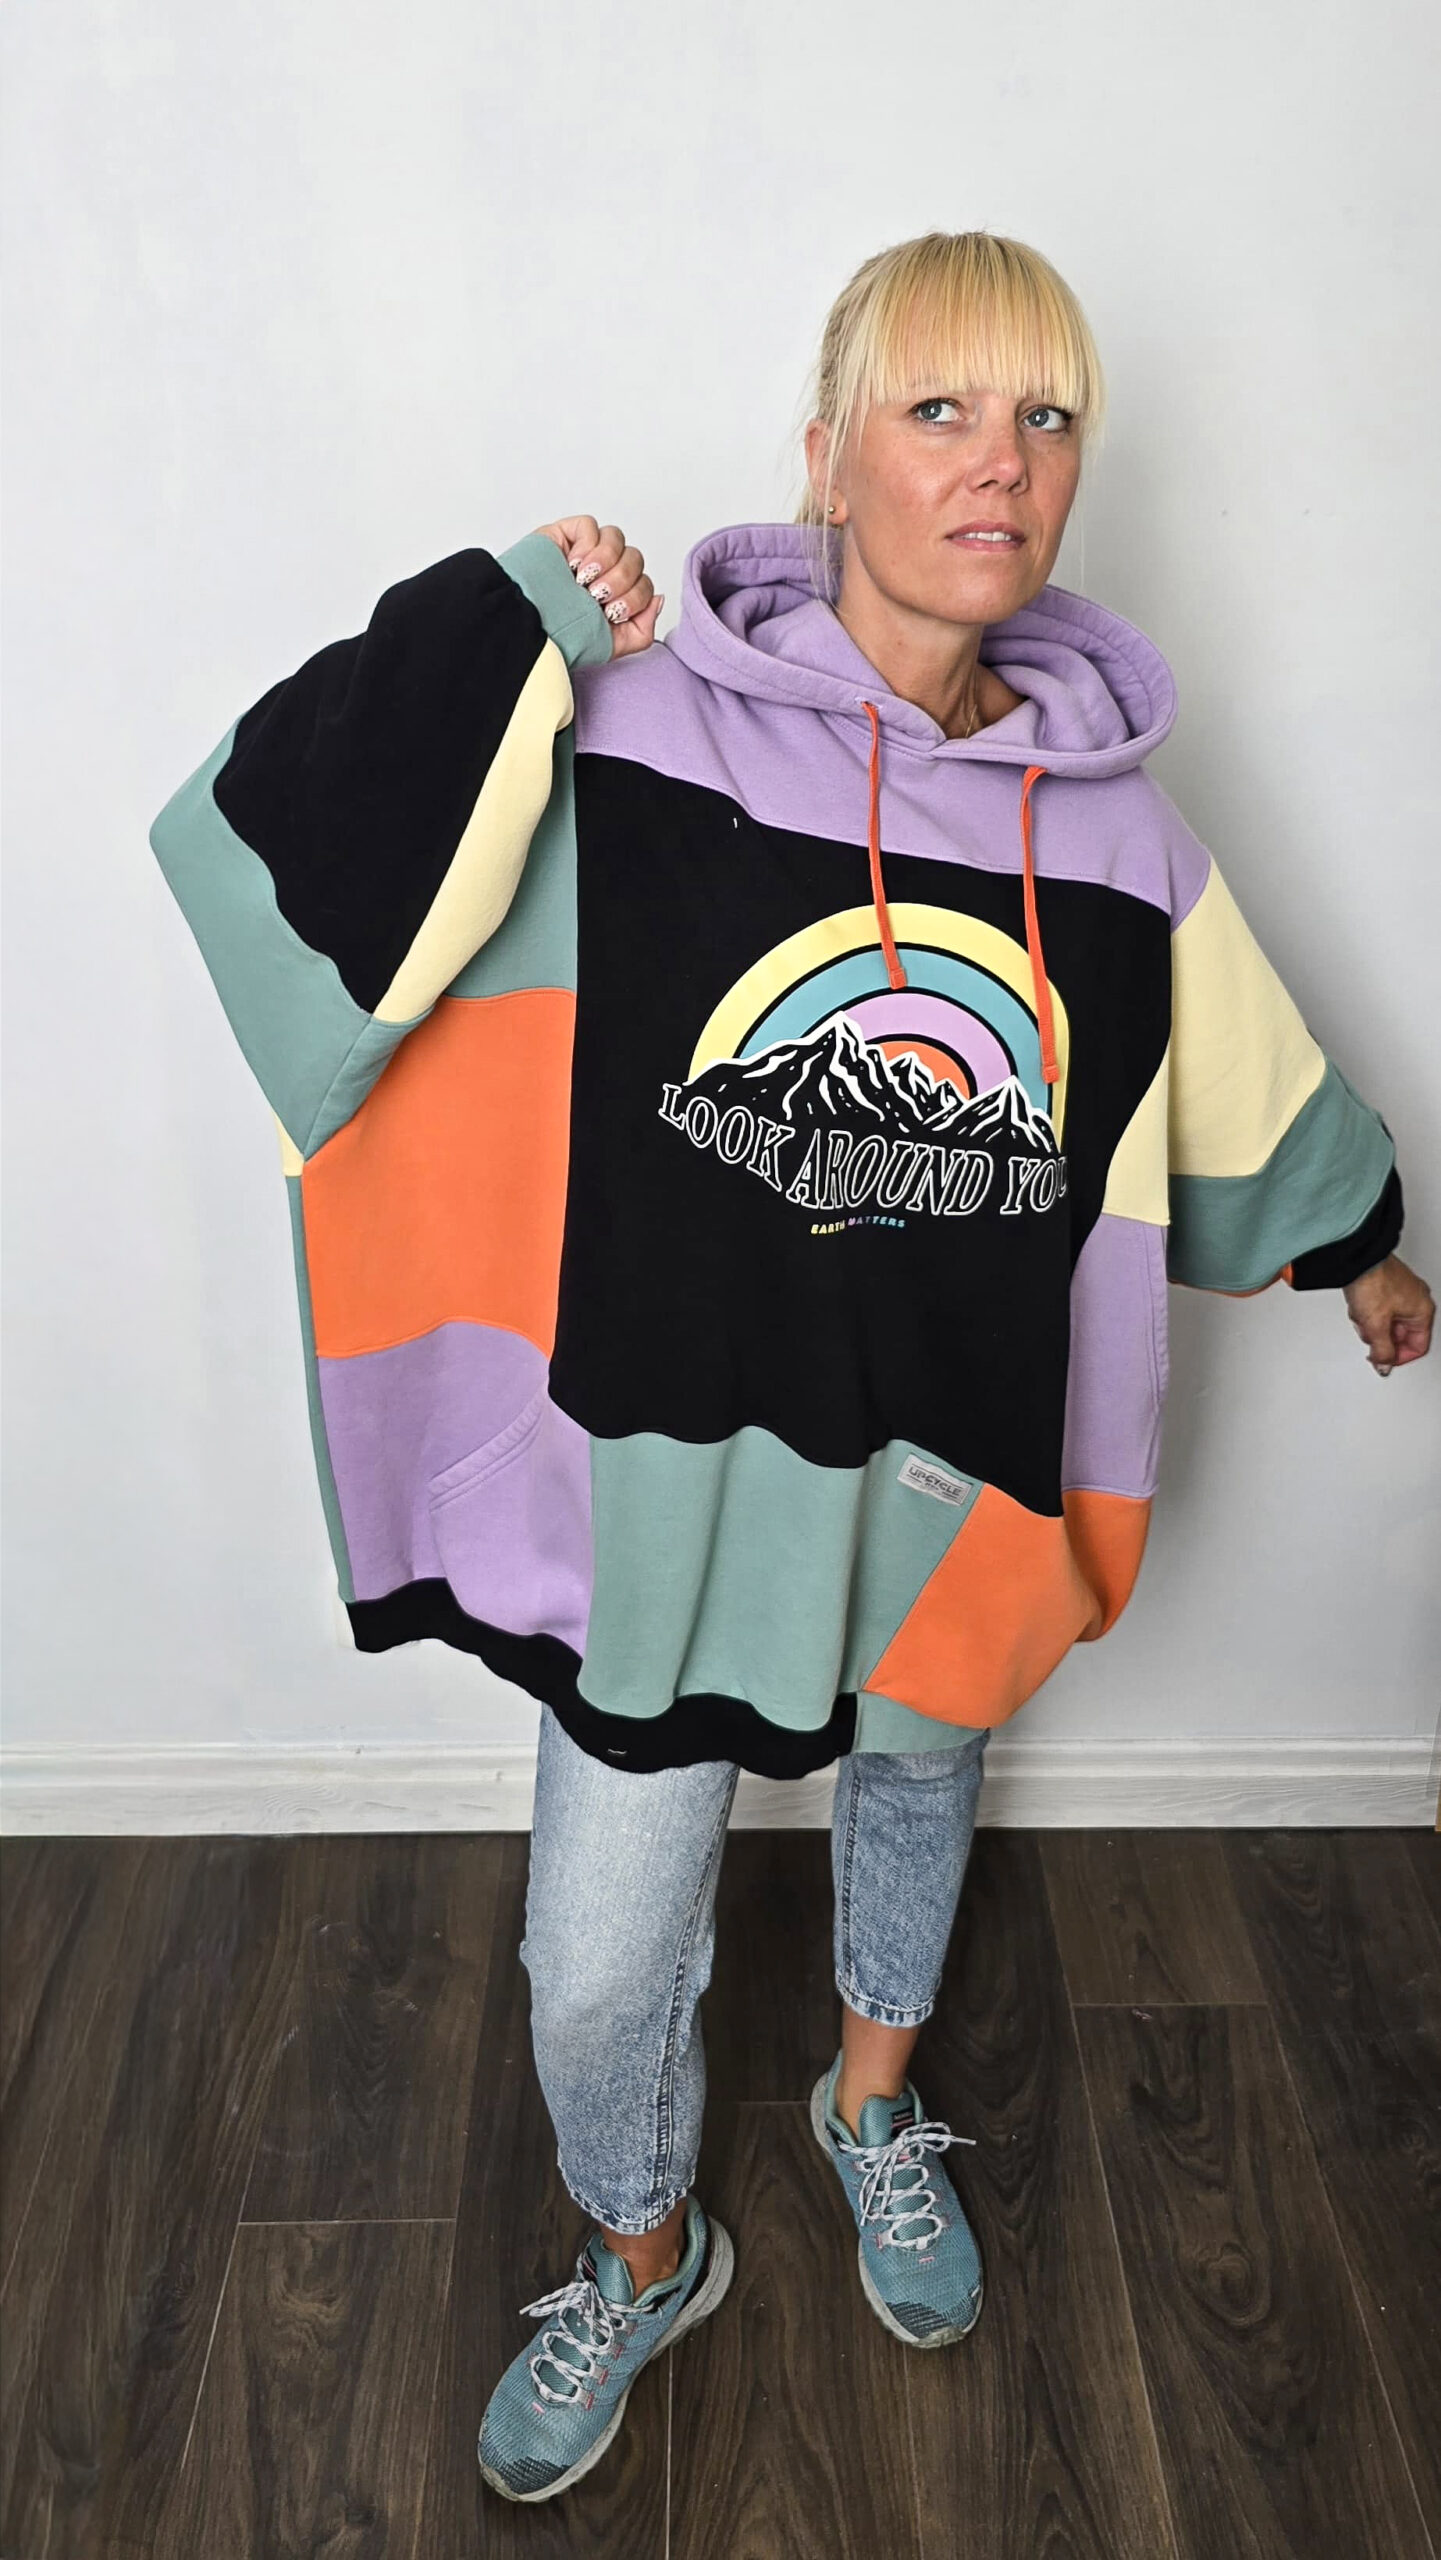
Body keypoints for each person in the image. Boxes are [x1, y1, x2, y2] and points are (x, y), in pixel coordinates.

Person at [148, 230, 1433, 2505]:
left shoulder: (1114, 831)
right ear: (826, 456)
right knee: (594, 1955)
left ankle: (869, 2104)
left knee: (917, 1780)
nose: (998, 464)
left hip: (946, 1448)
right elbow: (321, 858)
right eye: (940, 410)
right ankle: (644, 2244)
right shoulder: (638, 732)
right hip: (670, 1466)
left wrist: (1358, 1244)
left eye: (1044, 418)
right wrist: (503, 617)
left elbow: (1240, 1071)